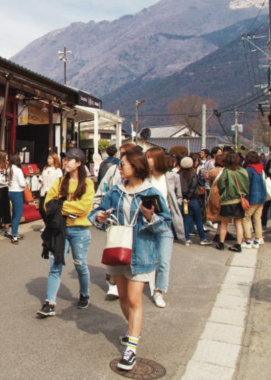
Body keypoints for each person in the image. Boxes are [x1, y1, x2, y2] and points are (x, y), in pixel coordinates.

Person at [89, 150, 171, 371]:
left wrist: (149, 216)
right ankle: (134, 329)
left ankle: (131, 349)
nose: (120, 168)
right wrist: (99, 216)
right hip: (117, 249)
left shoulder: (150, 193)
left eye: (123, 164)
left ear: (136, 166)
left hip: (141, 252)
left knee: (135, 300)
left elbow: (165, 223)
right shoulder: (116, 191)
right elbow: (96, 211)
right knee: (123, 297)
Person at [37, 148, 95, 317]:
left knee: (80, 264)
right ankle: (50, 302)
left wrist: (61, 206)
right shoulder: (59, 181)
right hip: (59, 230)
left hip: (80, 230)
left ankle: (84, 293)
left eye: (70, 159)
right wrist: (67, 209)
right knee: (55, 266)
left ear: (79, 163)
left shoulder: (88, 184)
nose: (65, 161)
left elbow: (84, 209)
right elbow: (49, 204)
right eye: (65, 159)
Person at [94, 142, 138, 299]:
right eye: (121, 154)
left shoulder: (145, 182)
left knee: (134, 254)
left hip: (136, 225)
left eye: (125, 154)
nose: (121, 158)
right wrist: (98, 210)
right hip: (115, 221)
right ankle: (112, 283)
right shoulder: (113, 170)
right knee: (114, 250)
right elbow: (102, 189)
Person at [145, 147, 187, 309]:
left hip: (165, 223)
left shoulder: (172, 177)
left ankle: (159, 291)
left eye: (149, 157)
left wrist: (173, 208)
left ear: (157, 159)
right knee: (147, 259)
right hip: (147, 222)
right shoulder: (144, 178)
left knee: (163, 260)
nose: (146, 160)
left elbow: (177, 196)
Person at [217, 152, 249, 252]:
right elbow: (247, 185)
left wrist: (223, 193)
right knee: (238, 224)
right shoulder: (244, 171)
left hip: (227, 200)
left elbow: (221, 185)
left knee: (224, 223)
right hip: (239, 200)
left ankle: (221, 244)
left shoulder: (226, 171)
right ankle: (238, 245)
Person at [178, 156, 210, 246]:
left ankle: (187, 239)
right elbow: (193, 187)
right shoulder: (193, 175)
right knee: (198, 219)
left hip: (183, 200)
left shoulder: (177, 175)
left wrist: (184, 198)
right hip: (193, 199)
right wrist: (188, 197)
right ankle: (203, 238)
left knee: (186, 218)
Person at [242, 151, 266, 249]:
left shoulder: (249, 170)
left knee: (246, 218)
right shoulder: (260, 168)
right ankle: (257, 239)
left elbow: (246, 185)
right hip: (262, 197)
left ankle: (248, 241)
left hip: (252, 197)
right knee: (257, 218)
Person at [38, 153, 63, 230]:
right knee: (41, 209)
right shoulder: (45, 169)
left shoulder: (58, 170)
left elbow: (59, 182)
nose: (48, 160)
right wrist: (40, 179)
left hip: (52, 192)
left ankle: (50, 225)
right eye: (48, 158)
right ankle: (46, 223)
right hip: (44, 191)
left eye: (50, 159)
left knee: (50, 210)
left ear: (54, 160)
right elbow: (42, 178)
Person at [6, 153, 27, 244]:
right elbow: (22, 183)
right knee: (17, 215)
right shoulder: (18, 170)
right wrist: (25, 185)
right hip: (17, 192)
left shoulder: (9, 168)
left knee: (14, 214)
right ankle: (14, 234)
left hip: (9, 191)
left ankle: (13, 231)